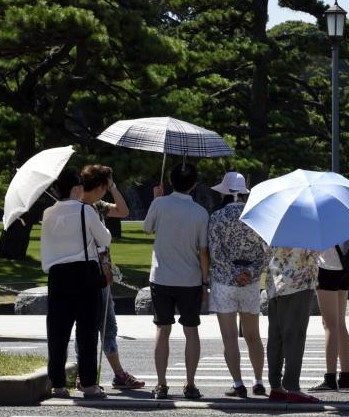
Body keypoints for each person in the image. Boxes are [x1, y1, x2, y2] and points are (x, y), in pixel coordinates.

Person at [41, 167, 110, 399]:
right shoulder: (85, 211)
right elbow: (104, 239)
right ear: (76, 189)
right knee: (87, 330)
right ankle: (89, 383)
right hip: (84, 273)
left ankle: (58, 383)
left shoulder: (48, 213)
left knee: (58, 331)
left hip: (58, 275)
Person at [74, 165, 144, 390]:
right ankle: (99, 374)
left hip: (102, 273)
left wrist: (113, 186)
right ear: (100, 186)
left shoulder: (97, 206)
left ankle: (109, 373)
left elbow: (123, 211)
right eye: (107, 186)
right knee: (96, 326)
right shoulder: (78, 209)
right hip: (91, 273)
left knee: (102, 325)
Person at [143, 163, 209, 400]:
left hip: (161, 277)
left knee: (162, 329)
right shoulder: (201, 213)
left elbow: (147, 228)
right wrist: (204, 282)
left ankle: (161, 384)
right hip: (190, 279)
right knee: (191, 331)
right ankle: (190, 383)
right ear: (194, 184)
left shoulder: (160, 204)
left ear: (171, 181)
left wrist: (155, 199)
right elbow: (203, 251)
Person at [208, 172, 268, 398]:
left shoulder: (216, 217)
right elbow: (267, 251)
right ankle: (259, 380)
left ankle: (238, 383)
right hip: (250, 282)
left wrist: (233, 273)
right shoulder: (257, 216)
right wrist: (250, 272)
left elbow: (215, 252)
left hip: (224, 281)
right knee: (253, 335)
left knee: (229, 336)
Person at [266, 247, 321, 403]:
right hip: (299, 282)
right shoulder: (307, 228)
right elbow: (314, 253)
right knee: (295, 337)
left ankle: (275, 385)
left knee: (276, 336)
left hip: (275, 283)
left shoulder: (274, 226)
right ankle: (292, 387)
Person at [310, 242, 349, 391]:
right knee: (340, 323)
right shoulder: (345, 218)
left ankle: (330, 378)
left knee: (329, 325)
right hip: (347, 266)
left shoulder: (322, 219)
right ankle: (346, 376)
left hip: (327, 267)